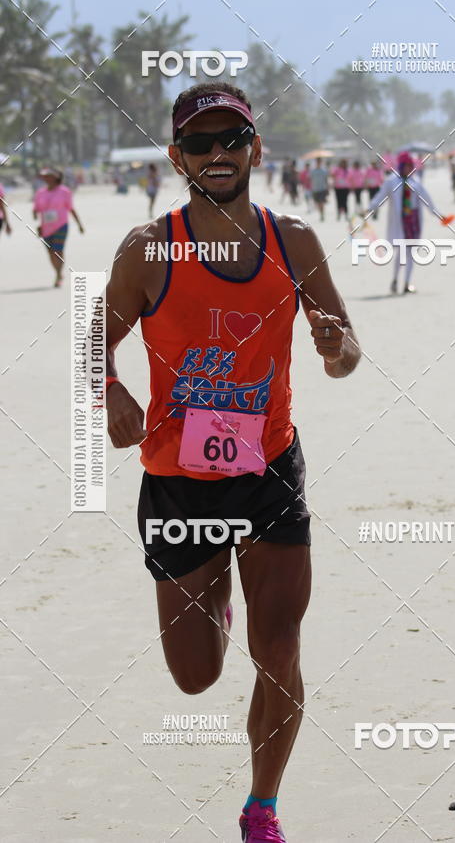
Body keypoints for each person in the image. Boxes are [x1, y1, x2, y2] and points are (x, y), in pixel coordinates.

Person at [104, 81, 360, 843]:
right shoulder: (149, 249)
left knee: (278, 645)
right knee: (196, 676)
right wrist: (111, 389)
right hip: (180, 484)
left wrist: (336, 346)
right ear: (177, 156)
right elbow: (96, 342)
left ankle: (262, 809)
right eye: (202, 143)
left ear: (256, 147)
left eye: (233, 139)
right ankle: (211, 589)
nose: (219, 154)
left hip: (270, 469)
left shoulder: (296, 243)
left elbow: (346, 352)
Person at [367, 151, 451, 295]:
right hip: (400, 221)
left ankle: (406, 283)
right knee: (402, 251)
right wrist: (369, 209)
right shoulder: (391, 181)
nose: (409, 169)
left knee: (411, 252)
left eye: (410, 166)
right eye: (406, 166)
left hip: (413, 221)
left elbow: (427, 200)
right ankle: (395, 280)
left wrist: (439, 214)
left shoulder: (416, 182)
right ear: (400, 166)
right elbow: (379, 197)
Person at [33, 167, 84, 287]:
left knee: (58, 250)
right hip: (46, 227)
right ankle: (57, 272)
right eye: (44, 177)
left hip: (61, 225)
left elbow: (71, 208)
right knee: (50, 252)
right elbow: (36, 209)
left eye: (48, 176)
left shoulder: (64, 191)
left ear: (56, 177)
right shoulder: (40, 193)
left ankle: (58, 274)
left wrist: (79, 225)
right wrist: (35, 215)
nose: (46, 179)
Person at [310, 157, 329, 221]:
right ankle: (321, 213)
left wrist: (327, 188)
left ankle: (322, 214)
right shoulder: (313, 171)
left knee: (321, 202)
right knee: (317, 203)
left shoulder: (324, 170)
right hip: (315, 189)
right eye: (317, 162)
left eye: (319, 162)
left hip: (322, 189)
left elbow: (326, 179)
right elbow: (311, 179)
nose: (318, 163)